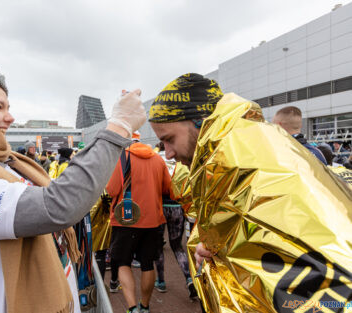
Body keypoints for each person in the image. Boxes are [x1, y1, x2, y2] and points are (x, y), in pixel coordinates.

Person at [0, 63, 146, 313]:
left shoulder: (5, 163)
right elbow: (56, 206)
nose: (10, 117)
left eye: (8, 107)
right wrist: (118, 128)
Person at [149, 73, 352, 312]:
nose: (169, 153)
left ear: (200, 122)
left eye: (169, 139)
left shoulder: (242, 157)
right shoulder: (227, 157)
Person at [107, 132, 171, 313]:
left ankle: (132, 308)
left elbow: (111, 189)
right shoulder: (158, 159)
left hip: (125, 219)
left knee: (122, 262)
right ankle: (145, 306)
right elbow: (167, 187)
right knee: (147, 263)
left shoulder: (123, 158)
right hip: (152, 219)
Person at [153, 142, 197, 300]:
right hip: (177, 207)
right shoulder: (181, 164)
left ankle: (161, 281)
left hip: (159, 207)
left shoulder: (155, 159)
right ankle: (189, 278)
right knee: (177, 247)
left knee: (158, 247)